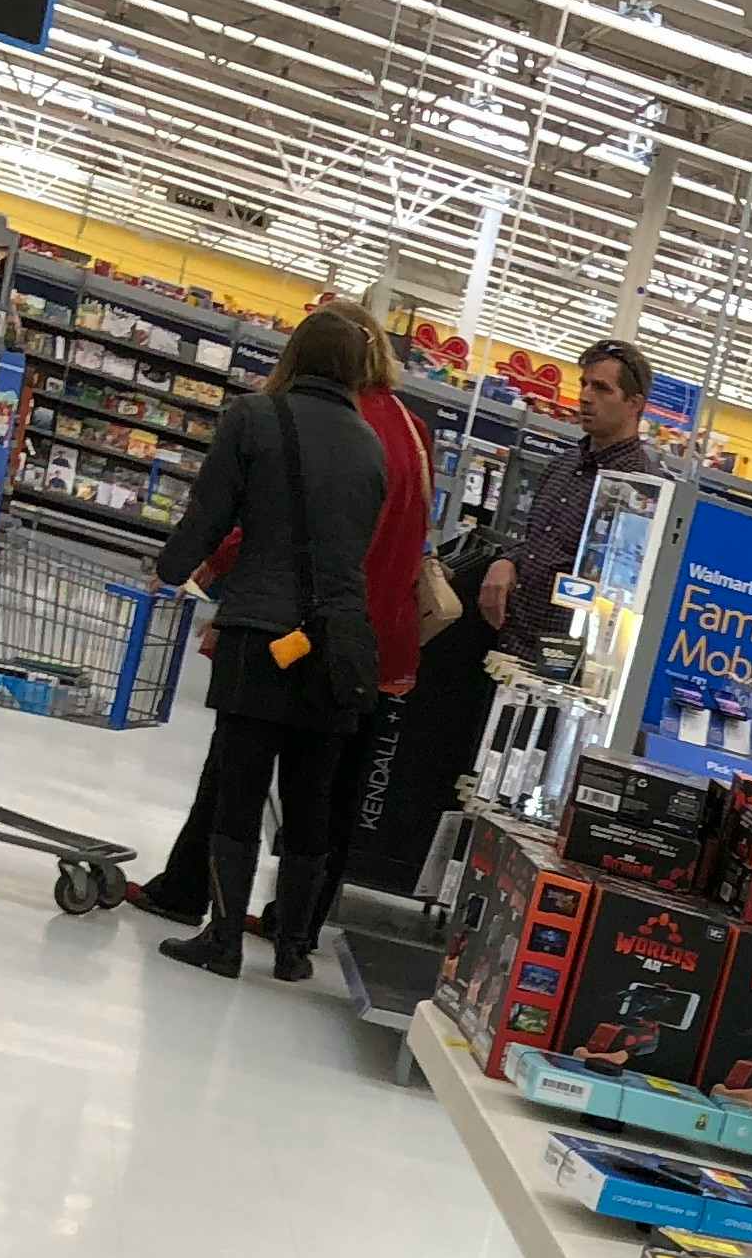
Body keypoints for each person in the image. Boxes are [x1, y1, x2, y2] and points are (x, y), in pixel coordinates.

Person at [127, 309, 443, 965]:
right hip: (343, 643)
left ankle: (222, 940)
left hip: (264, 632)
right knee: (311, 798)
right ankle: (295, 947)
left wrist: (168, 572)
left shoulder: (256, 417)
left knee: (239, 791)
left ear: (294, 354)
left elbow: (212, 514)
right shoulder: (377, 442)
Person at [476, 338, 657, 661]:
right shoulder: (563, 465)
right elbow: (537, 544)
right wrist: (508, 560)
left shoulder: (641, 490)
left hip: (565, 667)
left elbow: (623, 591)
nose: (585, 397)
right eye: (584, 384)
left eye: (602, 388)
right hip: (511, 649)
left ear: (634, 404)